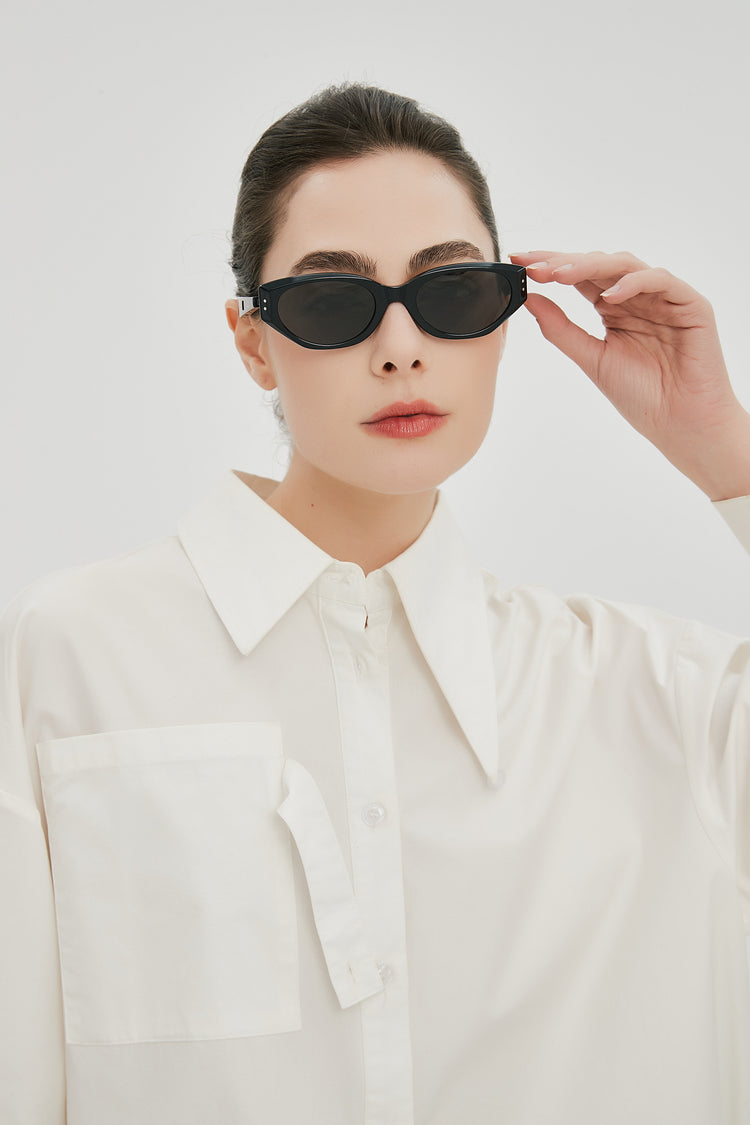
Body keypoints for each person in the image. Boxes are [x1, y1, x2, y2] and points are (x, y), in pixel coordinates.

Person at [1, 83, 749, 1125]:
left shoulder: (661, 698)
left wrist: (724, 448)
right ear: (253, 341)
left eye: (452, 293)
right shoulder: (75, 656)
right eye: (331, 301)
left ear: (506, 321)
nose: (401, 348)